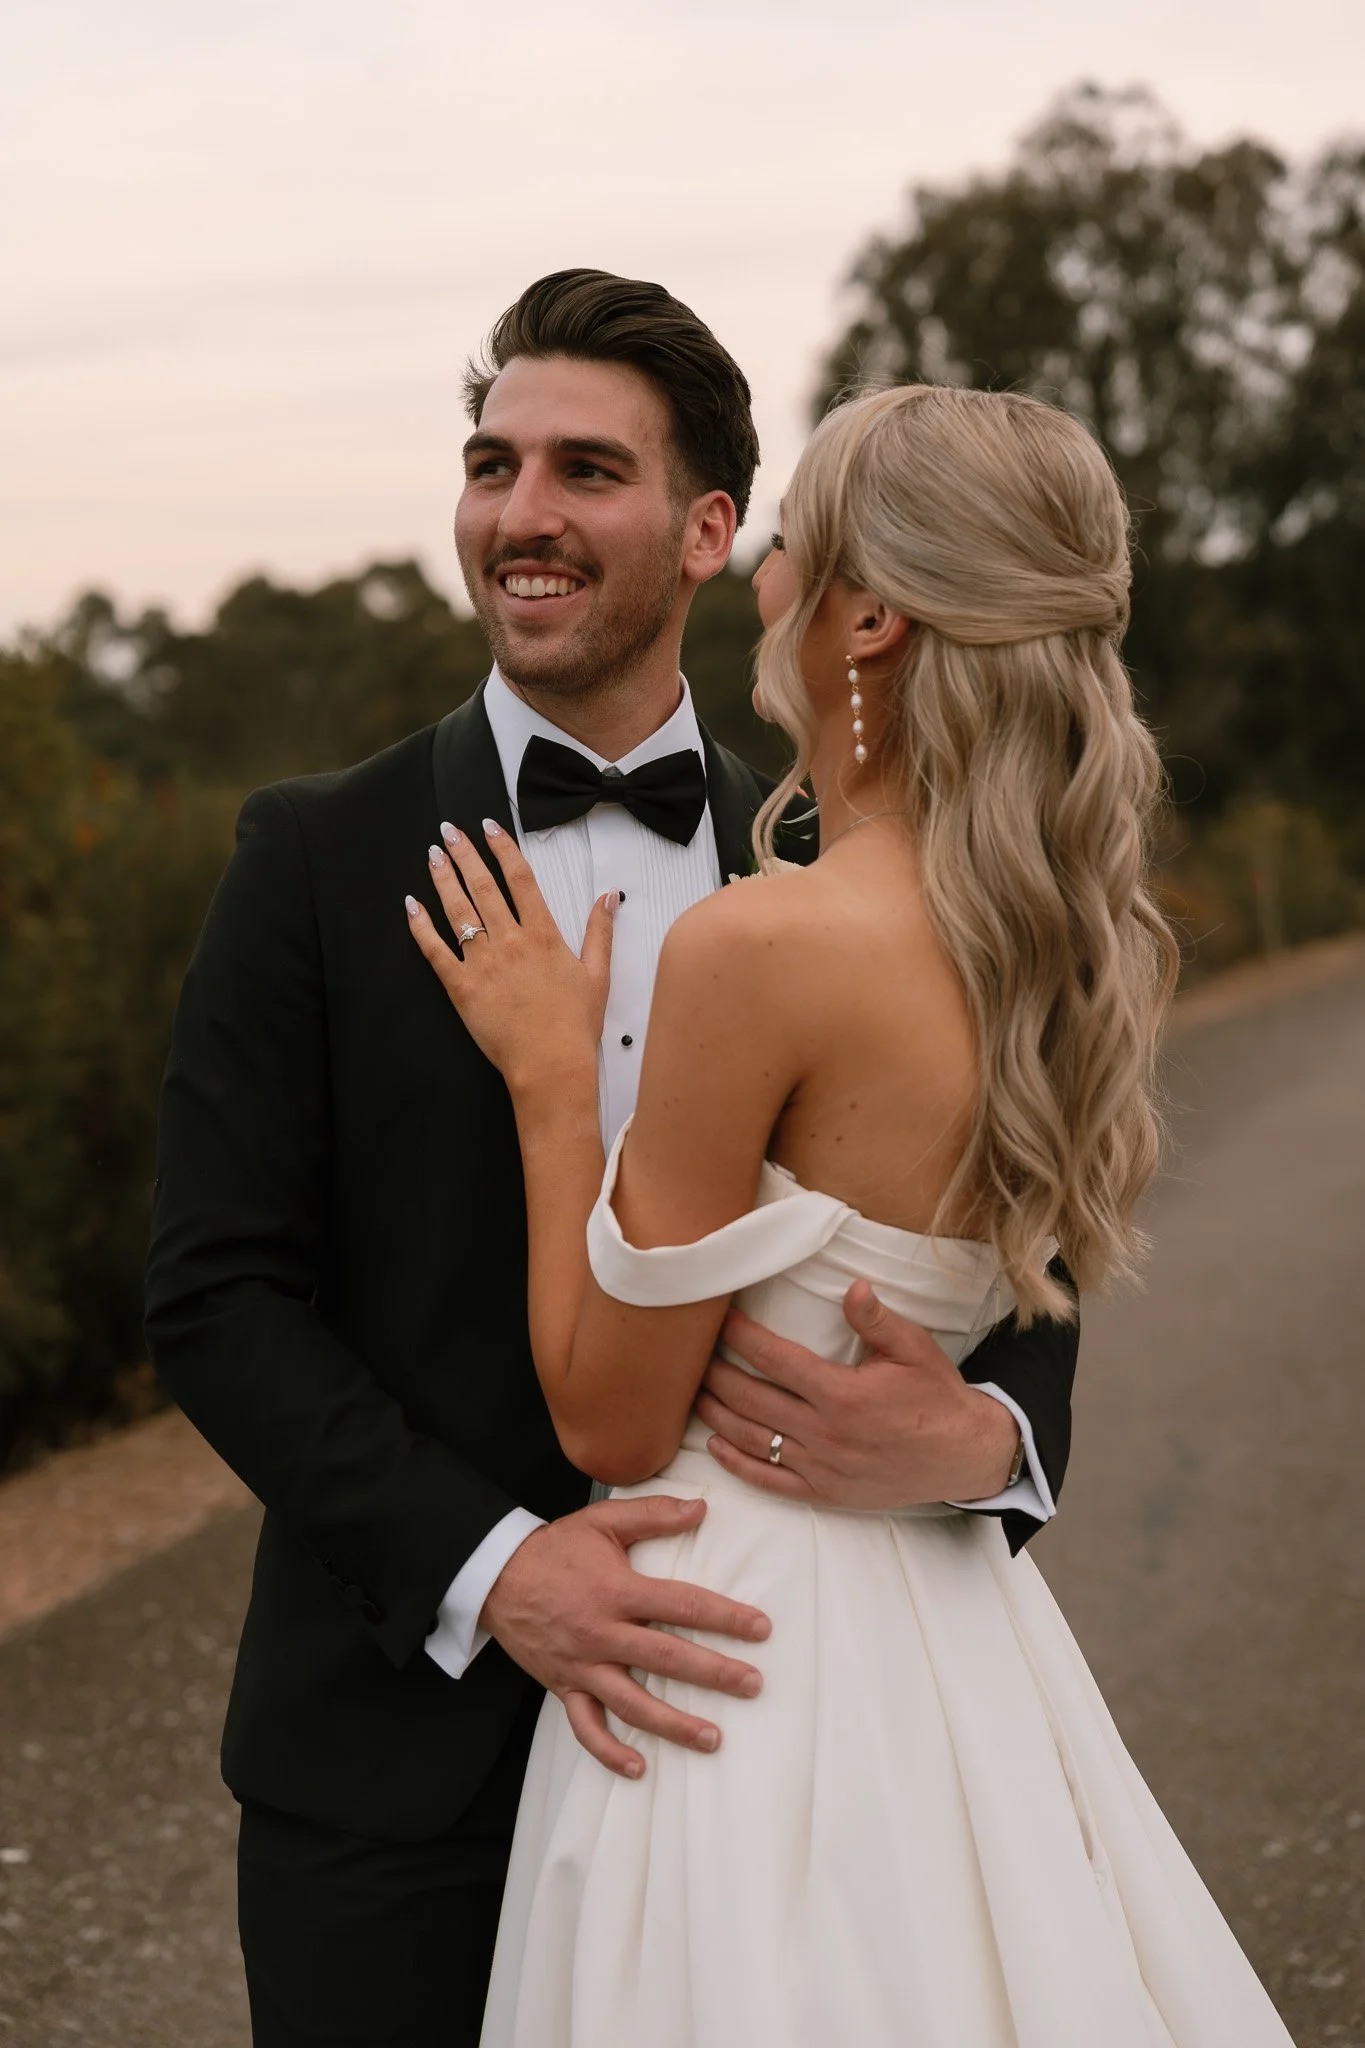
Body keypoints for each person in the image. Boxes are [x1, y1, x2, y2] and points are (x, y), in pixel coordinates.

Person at [144, 272, 1079, 2048]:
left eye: (587, 470)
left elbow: (1014, 1231)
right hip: (394, 1764)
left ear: (711, 528)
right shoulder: (317, 858)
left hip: (766, 1741)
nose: (521, 517)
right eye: (492, 465)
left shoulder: (842, 871)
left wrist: (998, 1436)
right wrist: (502, 1568)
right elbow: (215, 1296)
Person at [407, 380, 1296, 2045]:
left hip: (723, 1642)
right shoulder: (1057, 943)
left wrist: (548, 1090)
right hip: (954, 1642)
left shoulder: (761, 947)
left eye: (793, 532)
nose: (766, 571)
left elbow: (608, 1402)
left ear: (869, 614)